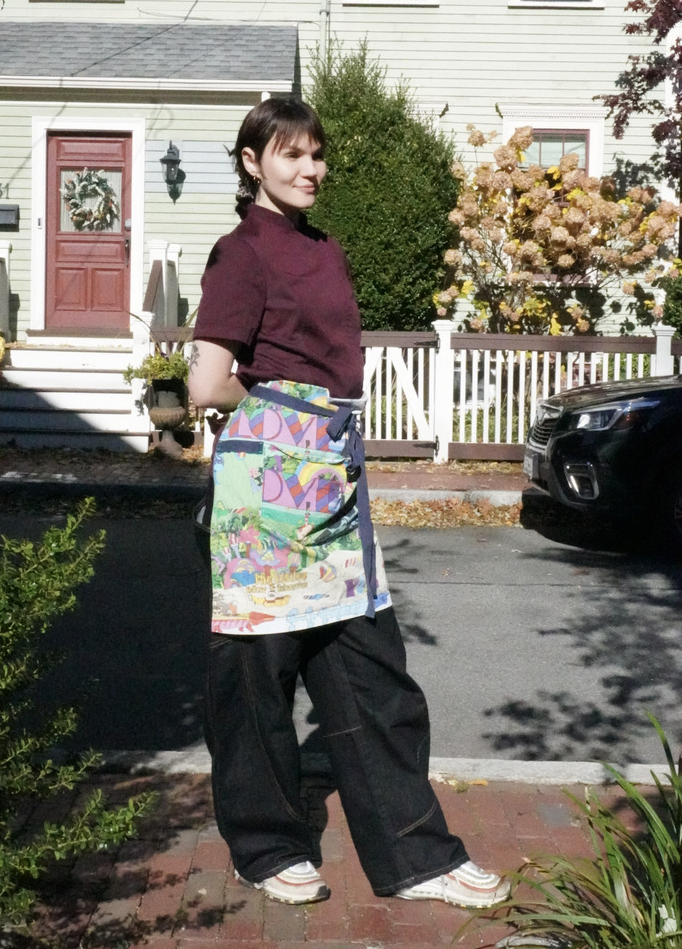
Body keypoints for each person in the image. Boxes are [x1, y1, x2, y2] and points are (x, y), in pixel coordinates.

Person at [188, 97, 510, 909]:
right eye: (291, 155)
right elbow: (207, 383)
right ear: (252, 162)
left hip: (332, 488)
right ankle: (266, 848)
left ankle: (417, 856)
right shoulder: (240, 253)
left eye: (317, 154)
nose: (311, 169)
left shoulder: (324, 249)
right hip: (267, 498)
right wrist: (284, 416)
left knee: (374, 677)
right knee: (258, 678)